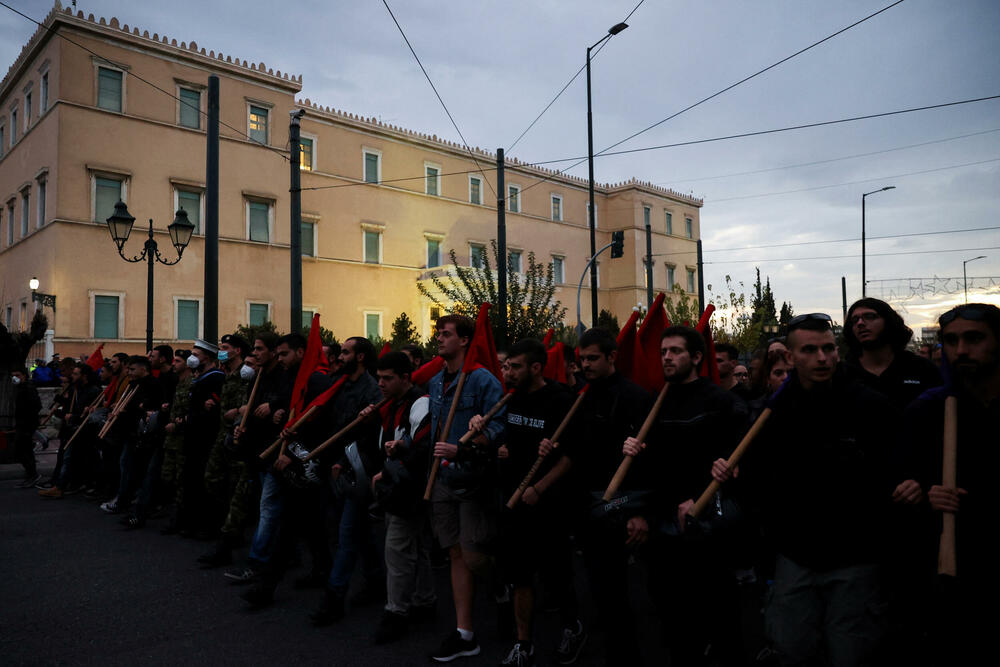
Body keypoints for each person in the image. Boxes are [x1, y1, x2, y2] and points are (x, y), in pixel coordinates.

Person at [713, 313, 895, 666]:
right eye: (810, 350)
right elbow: (754, 478)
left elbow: (892, 468)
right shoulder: (772, 412)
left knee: (851, 651)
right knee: (791, 645)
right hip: (795, 555)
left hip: (855, 554)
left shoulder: (867, 405)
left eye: (828, 348)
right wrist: (732, 472)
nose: (822, 358)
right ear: (790, 358)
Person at [625, 326, 749, 665]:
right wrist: (633, 450)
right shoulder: (655, 402)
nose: (667, 357)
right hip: (662, 527)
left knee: (719, 613)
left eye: (675, 351)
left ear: (696, 357)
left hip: (705, 524)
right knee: (672, 616)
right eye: (663, 351)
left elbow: (736, 464)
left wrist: (702, 500)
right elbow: (642, 469)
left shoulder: (720, 402)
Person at [901, 303, 1000, 666]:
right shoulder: (928, 410)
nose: (961, 351)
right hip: (954, 568)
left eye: (974, 339)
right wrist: (924, 491)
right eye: (951, 341)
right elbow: (906, 475)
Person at [491, 338, 582, 667]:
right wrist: (500, 443)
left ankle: (572, 626)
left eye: (515, 367)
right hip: (515, 501)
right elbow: (513, 439)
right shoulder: (512, 398)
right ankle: (523, 643)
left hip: (549, 502)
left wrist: (540, 487)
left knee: (556, 575)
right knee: (520, 575)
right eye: (507, 366)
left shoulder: (560, 400)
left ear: (536, 368)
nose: (508, 372)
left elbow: (571, 457)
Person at [564, 327, 651, 666]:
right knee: (598, 588)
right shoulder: (582, 395)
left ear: (612, 357)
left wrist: (638, 511)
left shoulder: (633, 397)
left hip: (620, 504)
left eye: (592, 358)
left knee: (620, 592)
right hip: (587, 505)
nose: (585, 364)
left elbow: (647, 462)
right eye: (581, 359)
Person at [426, 314, 506, 663]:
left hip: (472, 479)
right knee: (456, 553)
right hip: (442, 478)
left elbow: (500, 426)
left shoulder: (483, 380)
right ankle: (465, 633)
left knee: (474, 556)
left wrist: (478, 436)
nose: (439, 339)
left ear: (464, 341)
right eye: (438, 334)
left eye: (446, 335)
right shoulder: (434, 383)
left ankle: (503, 581)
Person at [241, 333, 336, 609]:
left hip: (308, 462)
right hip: (293, 461)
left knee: (291, 525)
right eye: (278, 354)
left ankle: (267, 586)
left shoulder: (316, 380)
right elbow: (289, 407)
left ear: (300, 352)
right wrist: (280, 412)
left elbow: (320, 423)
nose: (280, 359)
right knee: (310, 525)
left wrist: (296, 457)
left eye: (284, 354)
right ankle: (321, 570)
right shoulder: (290, 376)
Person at [311, 336, 384, 624]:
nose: (339, 357)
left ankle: (334, 598)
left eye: (345, 352)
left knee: (347, 534)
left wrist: (344, 461)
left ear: (361, 357)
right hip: (334, 468)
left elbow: (370, 436)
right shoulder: (339, 384)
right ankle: (376, 581)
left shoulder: (372, 390)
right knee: (358, 531)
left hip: (357, 470)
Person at [368, 351, 435, 644]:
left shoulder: (420, 403)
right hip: (402, 487)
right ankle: (424, 599)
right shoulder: (392, 404)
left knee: (396, 550)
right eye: (379, 378)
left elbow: (424, 447)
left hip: (408, 489)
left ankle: (396, 612)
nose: (380, 383)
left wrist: (395, 464)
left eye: (387, 378)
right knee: (417, 547)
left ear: (405, 377)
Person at [224, 332, 291, 584]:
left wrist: (274, 408)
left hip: (275, 451)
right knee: (272, 508)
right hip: (257, 451)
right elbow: (251, 408)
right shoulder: (258, 376)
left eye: (260, 349)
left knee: (269, 508)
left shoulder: (284, 377)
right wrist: (244, 424)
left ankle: (257, 561)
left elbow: (285, 405)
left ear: (273, 352)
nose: (256, 353)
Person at [199, 334, 252, 564]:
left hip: (237, 439)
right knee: (212, 479)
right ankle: (229, 526)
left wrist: (238, 411)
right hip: (223, 436)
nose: (221, 350)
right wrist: (217, 403)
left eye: (226, 347)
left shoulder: (245, 374)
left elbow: (248, 402)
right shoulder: (227, 374)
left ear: (237, 351)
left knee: (236, 489)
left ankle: (229, 538)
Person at [843, 297, 941, 410]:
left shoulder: (922, 369)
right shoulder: (843, 374)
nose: (860, 323)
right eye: (854, 320)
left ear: (889, 322)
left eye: (869, 316)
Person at [174, 340, 225, 537]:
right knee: (191, 481)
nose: (192, 357)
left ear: (208, 357)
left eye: (196, 353)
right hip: (192, 436)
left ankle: (206, 525)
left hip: (205, 437)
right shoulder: (200, 378)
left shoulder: (215, 378)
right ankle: (190, 522)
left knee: (203, 483)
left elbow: (213, 408)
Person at [160, 349, 192, 527]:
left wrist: (178, 424)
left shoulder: (191, 384)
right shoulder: (179, 383)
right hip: (172, 439)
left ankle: (179, 518)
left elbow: (191, 412)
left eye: (178, 361)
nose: (174, 364)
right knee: (168, 477)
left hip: (181, 439)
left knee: (180, 480)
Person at [10, 366, 42, 488]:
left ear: (24, 375)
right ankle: (31, 475)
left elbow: (36, 406)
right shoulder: (21, 388)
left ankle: (32, 475)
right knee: (23, 451)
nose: (14, 378)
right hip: (22, 425)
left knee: (22, 450)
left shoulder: (28, 388)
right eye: (13, 375)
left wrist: (28, 424)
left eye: (17, 375)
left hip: (26, 426)